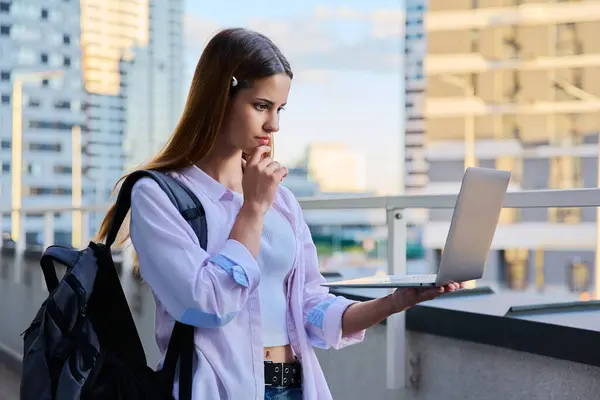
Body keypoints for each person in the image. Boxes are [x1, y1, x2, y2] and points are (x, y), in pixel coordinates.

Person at [95, 27, 462, 400]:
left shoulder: (282, 200)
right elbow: (205, 304)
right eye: (261, 106)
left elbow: (310, 307)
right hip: (220, 390)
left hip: (297, 388)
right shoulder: (158, 195)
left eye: (279, 109)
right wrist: (252, 209)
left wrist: (395, 302)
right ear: (219, 98)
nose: (274, 125)